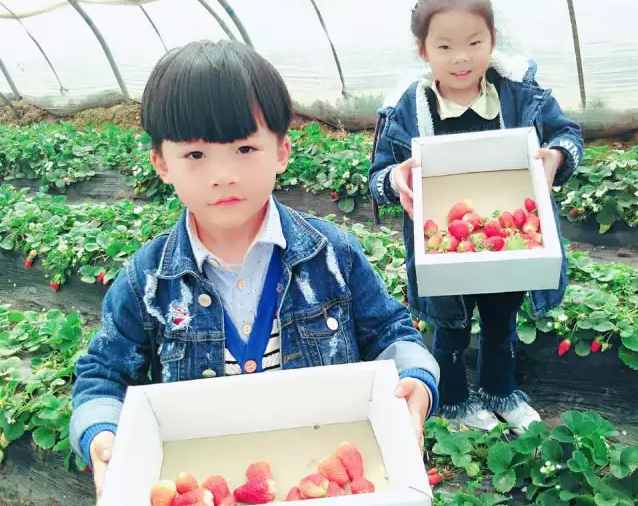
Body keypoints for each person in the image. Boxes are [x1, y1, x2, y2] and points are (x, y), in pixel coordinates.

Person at [69, 39, 440, 499]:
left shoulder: (332, 254)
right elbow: (103, 376)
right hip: (210, 488)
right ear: (161, 163)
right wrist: (102, 433)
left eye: (245, 149)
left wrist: (414, 378)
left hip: (323, 485)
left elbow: (390, 332)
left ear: (282, 151)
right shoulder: (147, 280)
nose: (223, 175)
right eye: (196, 155)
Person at [369, 0, 583, 434]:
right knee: (450, 325)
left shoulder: (520, 93)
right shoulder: (406, 109)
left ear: (492, 40)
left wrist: (556, 157)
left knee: (503, 319)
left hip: (504, 234)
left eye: (474, 42)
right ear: (423, 49)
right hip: (442, 246)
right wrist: (396, 180)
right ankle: (452, 399)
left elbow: (567, 133)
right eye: (444, 46)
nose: (461, 58)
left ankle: (499, 390)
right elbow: (377, 177)